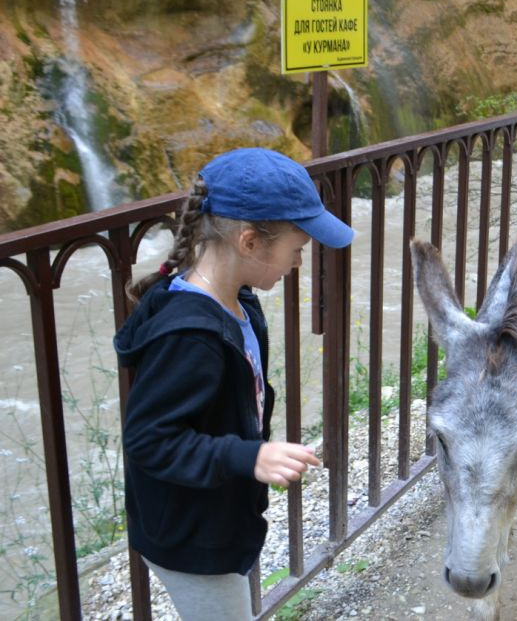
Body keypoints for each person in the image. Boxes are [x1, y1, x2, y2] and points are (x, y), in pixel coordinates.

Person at [113, 147, 355, 620]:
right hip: (191, 537)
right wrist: (250, 455)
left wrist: (252, 452)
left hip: (219, 514)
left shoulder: (239, 304)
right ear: (249, 242)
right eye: (297, 249)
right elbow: (148, 439)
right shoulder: (190, 335)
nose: (299, 263)